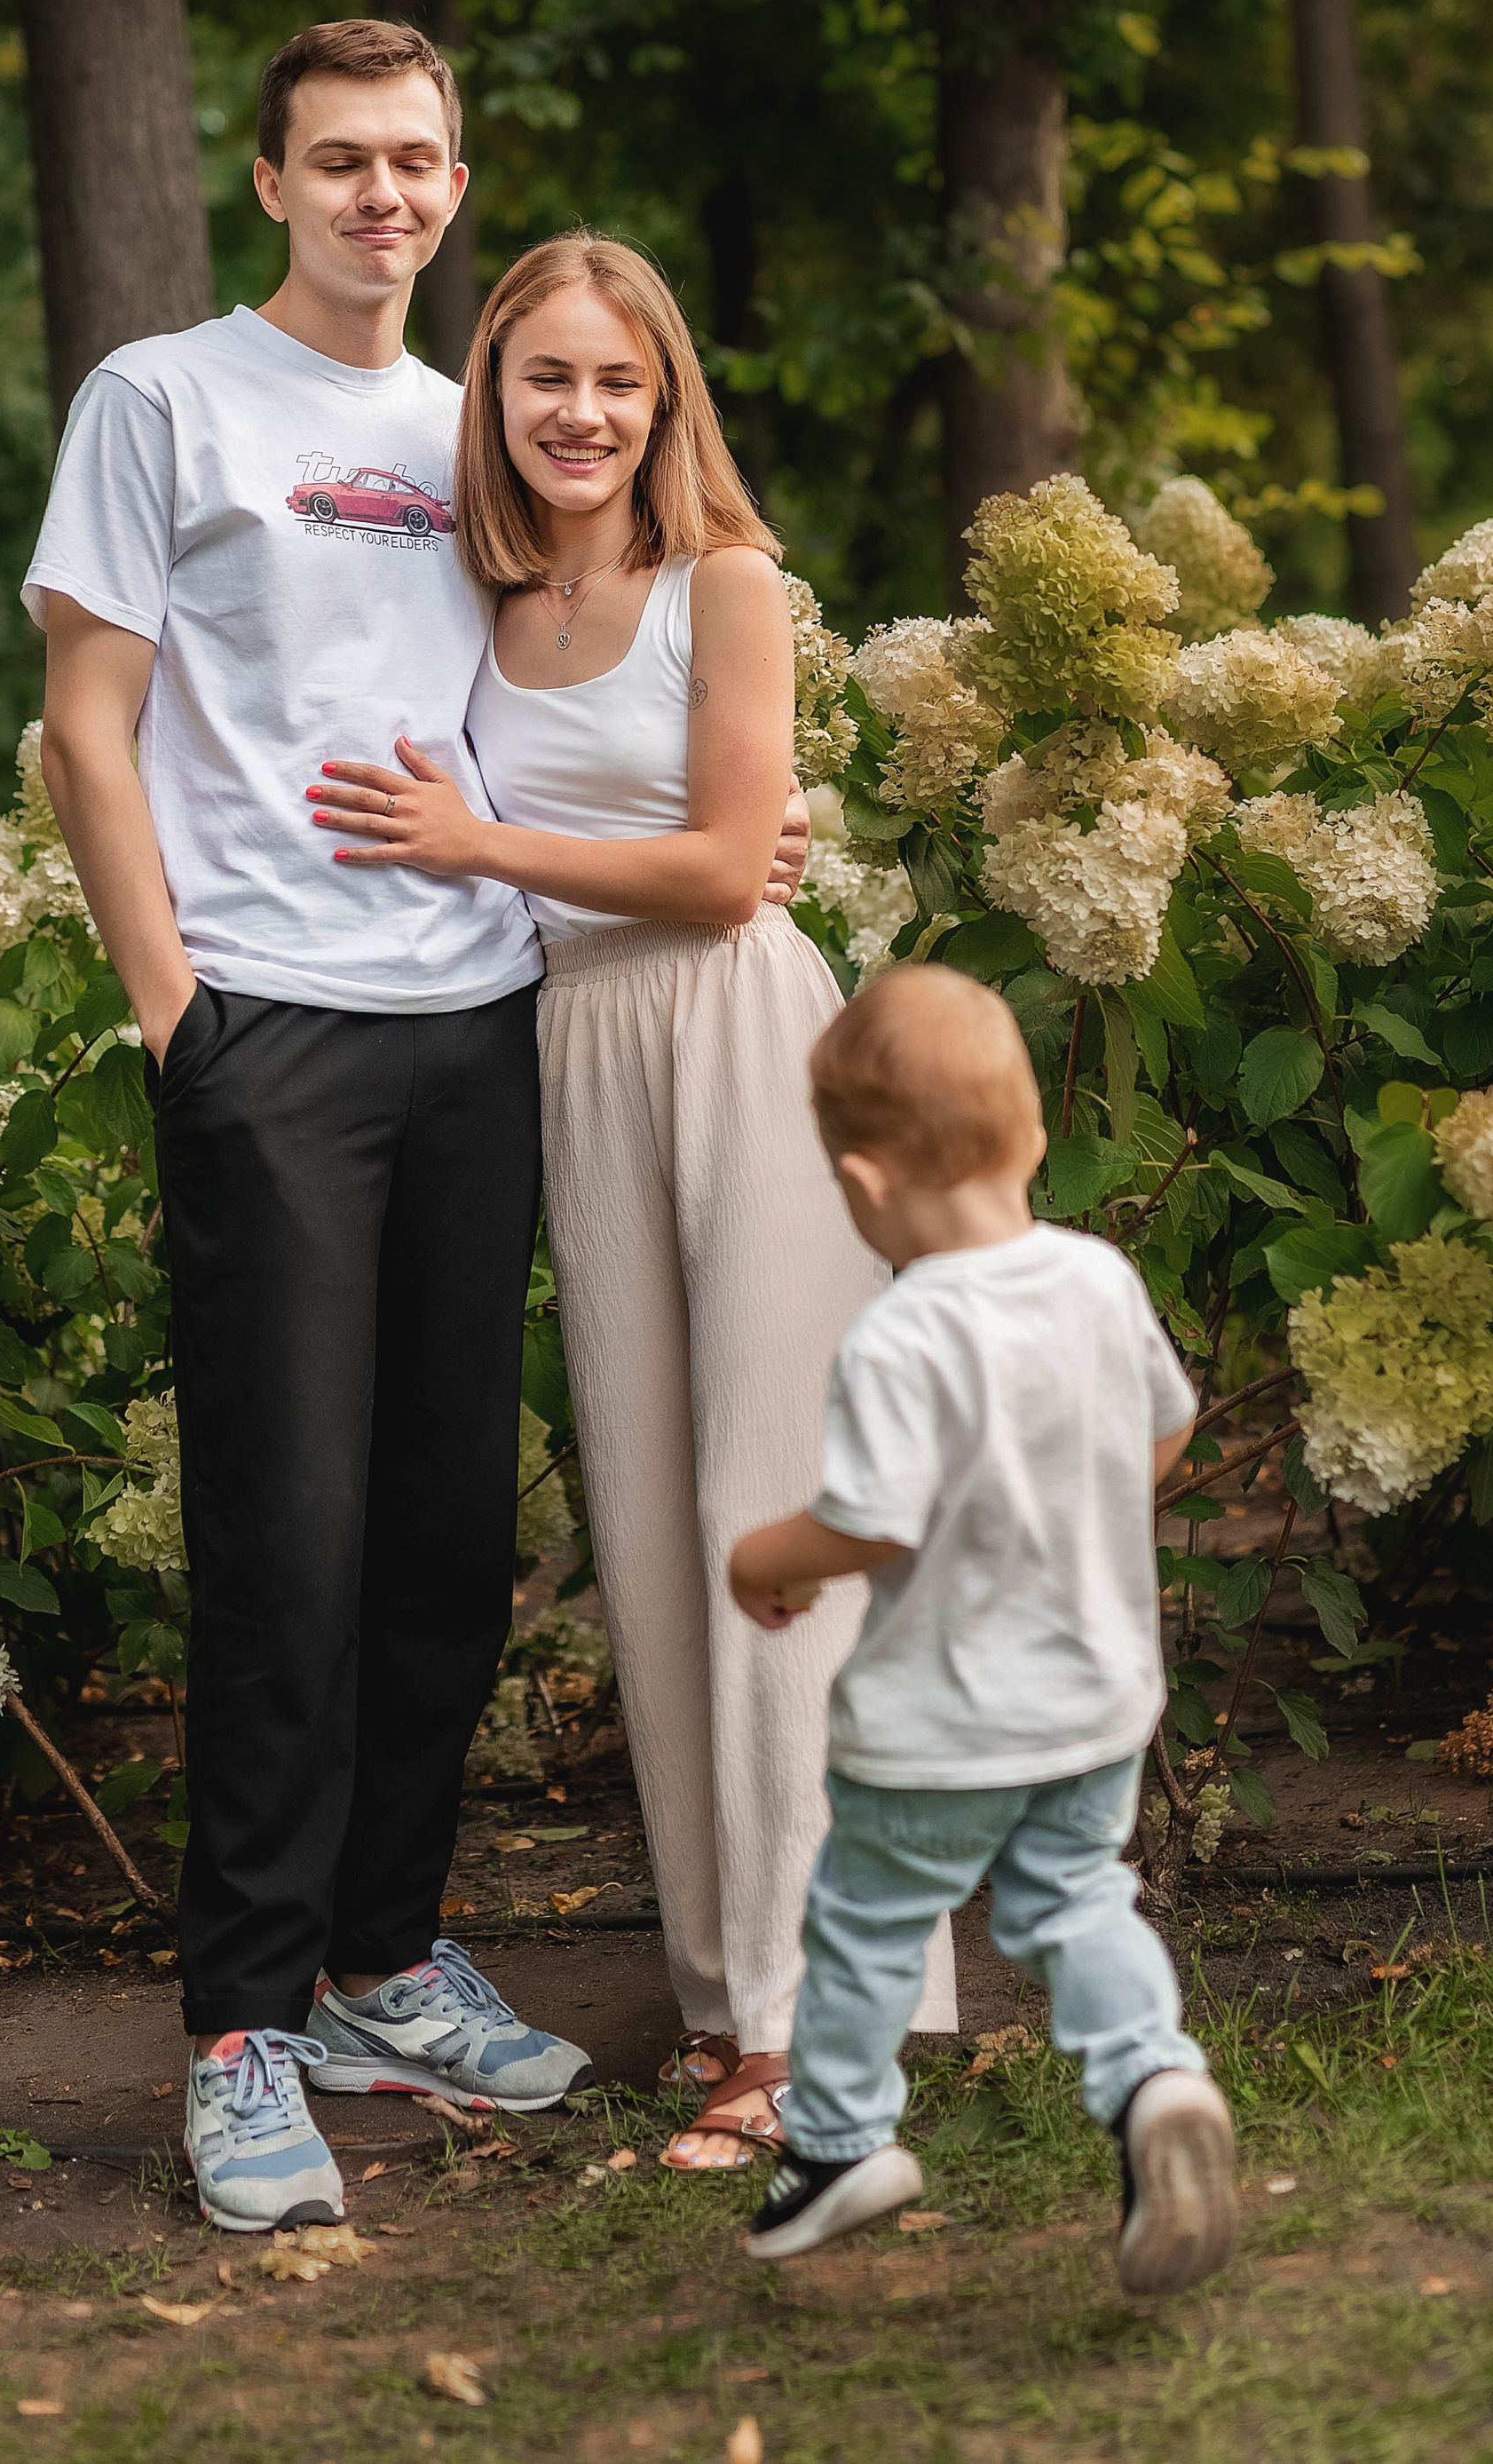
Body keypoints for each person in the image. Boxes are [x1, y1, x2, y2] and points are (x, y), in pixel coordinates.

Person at [24, 21, 603, 2233]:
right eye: (343, 159)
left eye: (421, 160)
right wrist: (176, 1016)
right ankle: (240, 2027)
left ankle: (380, 1957)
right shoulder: (160, 399)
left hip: (474, 1030)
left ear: (456, 185)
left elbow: (572, 674)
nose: (387, 194)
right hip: (264, 1033)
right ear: (267, 179)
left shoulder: (468, 425)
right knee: (285, 1543)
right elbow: (91, 722)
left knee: (451, 1536)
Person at [304, 233, 953, 2175]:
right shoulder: (474, 599)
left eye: (615, 381)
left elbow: (729, 860)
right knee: (655, 1532)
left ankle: (813, 2023)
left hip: (741, 1040)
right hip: (566, 1052)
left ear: (665, 400)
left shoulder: (723, 584)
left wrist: (489, 838)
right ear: (486, 396)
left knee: (765, 1508)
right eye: (541, 380)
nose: (579, 413)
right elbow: (617, 855)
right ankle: (718, 1987)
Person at [726, 966, 1239, 2287]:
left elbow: (879, 1524)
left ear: (864, 1183)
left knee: (867, 1922)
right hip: (1094, 1704)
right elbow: (1165, 1430)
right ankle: (1153, 2081)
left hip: (939, 1729)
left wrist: (769, 1556)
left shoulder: (902, 1333)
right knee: (1078, 1897)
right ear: (1032, 1137)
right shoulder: (1095, 1283)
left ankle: (839, 2143)